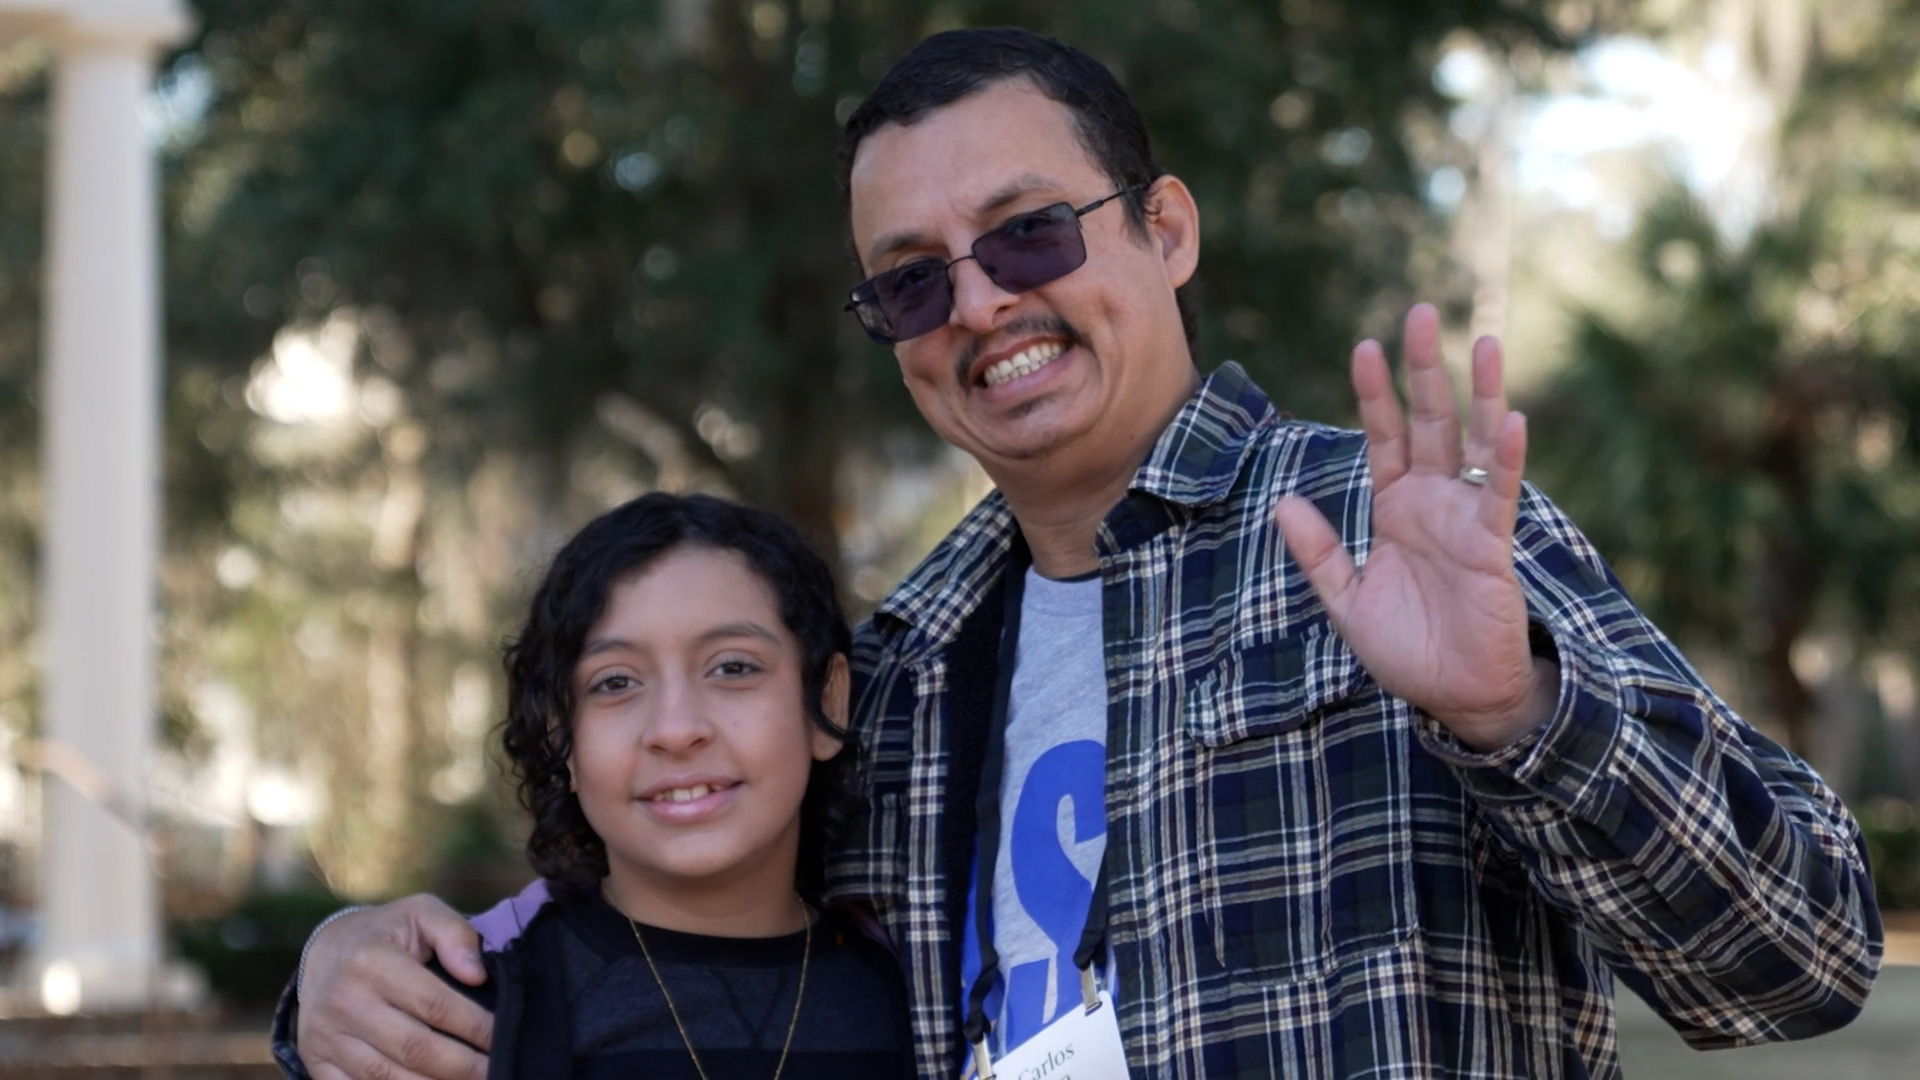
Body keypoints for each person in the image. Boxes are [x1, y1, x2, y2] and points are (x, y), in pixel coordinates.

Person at [279, 27, 1881, 1080]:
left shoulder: (1397, 540)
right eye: (910, 279)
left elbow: (1799, 957)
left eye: (1030, 231)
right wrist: (348, 968)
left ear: (1164, 232)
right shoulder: (895, 669)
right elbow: (663, 925)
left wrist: (1516, 711)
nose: (978, 303)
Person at [278, 493, 913, 1078]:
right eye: (615, 682)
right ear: (561, 738)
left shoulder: (928, 987)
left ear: (825, 700)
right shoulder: (461, 1009)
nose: (675, 729)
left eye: (733, 667)